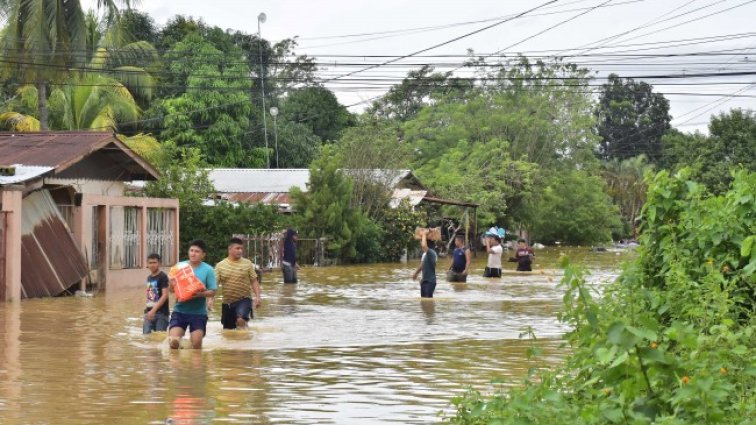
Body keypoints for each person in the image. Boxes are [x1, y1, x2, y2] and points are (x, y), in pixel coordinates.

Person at [168, 240, 217, 349]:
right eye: (191, 250)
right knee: (173, 341)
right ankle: (177, 364)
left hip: (198, 313)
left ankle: (194, 364)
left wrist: (200, 294)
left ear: (203, 254)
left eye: (197, 251)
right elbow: (171, 290)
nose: (193, 254)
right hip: (179, 311)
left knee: (196, 344)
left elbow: (213, 291)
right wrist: (172, 282)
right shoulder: (180, 267)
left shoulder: (208, 270)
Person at [215, 237, 261, 330]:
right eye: (237, 248)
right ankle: (245, 330)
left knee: (240, 320)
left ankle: (245, 339)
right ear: (230, 249)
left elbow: (254, 281)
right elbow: (214, 285)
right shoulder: (220, 266)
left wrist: (258, 297)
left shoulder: (247, 264)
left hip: (244, 299)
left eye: (241, 249)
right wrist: (210, 300)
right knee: (228, 332)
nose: (240, 251)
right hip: (227, 303)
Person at [143, 253, 170, 334]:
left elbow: (165, 295)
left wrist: (154, 310)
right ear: (147, 264)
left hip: (161, 314)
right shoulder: (149, 277)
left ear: (159, 263)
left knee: (159, 337)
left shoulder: (163, 276)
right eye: (150, 263)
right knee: (146, 337)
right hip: (149, 312)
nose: (152, 265)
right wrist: (148, 311)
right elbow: (151, 296)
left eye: (154, 262)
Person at [413, 229, 438, 298]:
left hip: (430, 282)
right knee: (424, 302)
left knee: (427, 301)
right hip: (425, 281)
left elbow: (424, 246)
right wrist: (416, 274)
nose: (421, 243)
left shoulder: (432, 253)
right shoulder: (425, 254)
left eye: (422, 241)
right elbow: (422, 265)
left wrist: (423, 234)